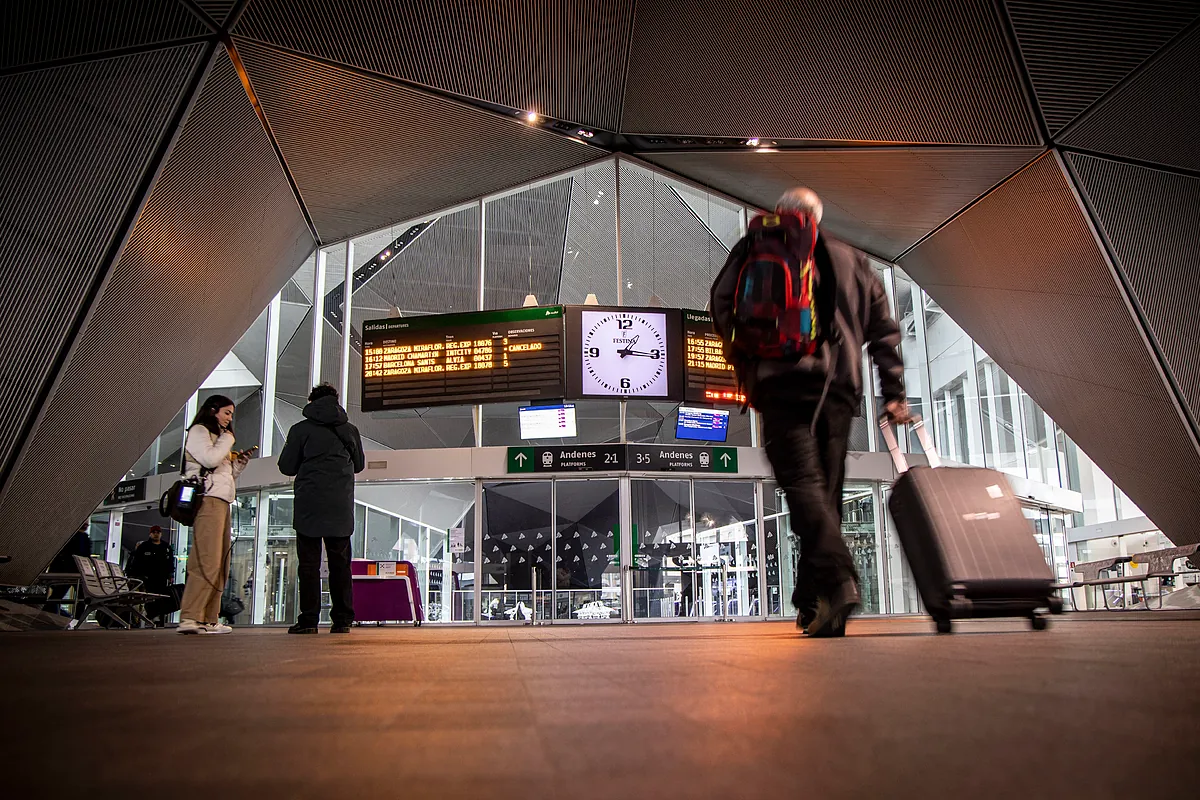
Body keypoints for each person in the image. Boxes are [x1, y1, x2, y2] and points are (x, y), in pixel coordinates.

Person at [711, 186, 911, 637]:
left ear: (781, 213)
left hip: (782, 383)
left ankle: (839, 581)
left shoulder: (757, 246)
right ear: (818, 217)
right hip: (839, 390)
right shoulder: (854, 259)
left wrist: (747, 358)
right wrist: (893, 392)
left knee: (802, 484)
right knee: (825, 494)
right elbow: (884, 332)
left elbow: (721, 303)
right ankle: (814, 604)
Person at [277, 383, 365, 634]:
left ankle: (308, 620)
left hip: (309, 506)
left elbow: (286, 466)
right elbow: (359, 465)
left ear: (311, 402)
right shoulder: (350, 430)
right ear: (336, 401)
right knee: (340, 565)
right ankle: (342, 620)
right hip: (339, 506)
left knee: (309, 565)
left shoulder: (300, 430)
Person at [177, 394, 252, 635]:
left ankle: (209, 617)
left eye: (231, 414)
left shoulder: (219, 438)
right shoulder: (200, 431)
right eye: (226, 412)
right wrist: (228, 438)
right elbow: (209, 459)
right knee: (206, 559)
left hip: (221, 500)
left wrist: (237, 465)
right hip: (207, 500)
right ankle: (190, 616)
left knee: (220, 563)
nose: (229, 418)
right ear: (212, 410)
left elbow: (222, 475)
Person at [127, 524, 174, 626]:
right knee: (149, 598)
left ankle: (159, 619)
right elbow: (137, 562)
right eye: (154, 532)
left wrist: (170, 575)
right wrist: (139, 575)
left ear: (161, 534)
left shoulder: (166, 547)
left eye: (158, 532)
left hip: (162, 578)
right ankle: (150, 617)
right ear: (150, 534)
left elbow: (170, 562)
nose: (156, 534)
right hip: (148, 578)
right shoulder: (144, 547)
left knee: (161, 598)